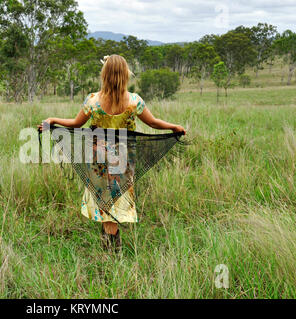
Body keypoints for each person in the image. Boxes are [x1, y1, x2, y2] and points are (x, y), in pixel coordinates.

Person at [40, 55, 186, 251]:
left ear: (105, 75)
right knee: (113, 202)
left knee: (105, 203)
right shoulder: (134, 101)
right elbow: (153, 123)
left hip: (97, 161)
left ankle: (110, 252)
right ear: (125, 75)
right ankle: (109, 249)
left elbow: (76, 124)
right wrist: (173, 127)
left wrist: (53, 120)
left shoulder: (92, 101)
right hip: (123, 161)